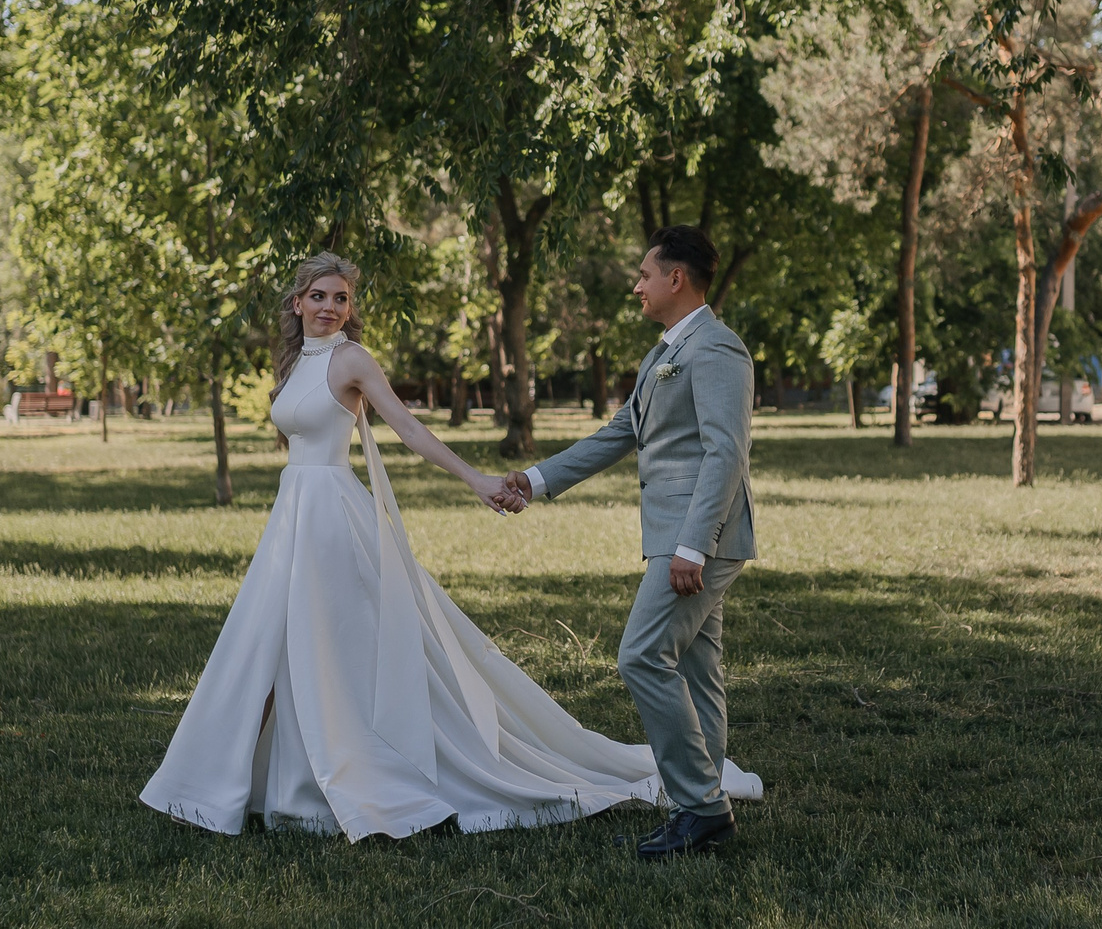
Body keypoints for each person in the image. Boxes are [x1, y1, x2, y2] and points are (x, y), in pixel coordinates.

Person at [140, 250, 763, 841]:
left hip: (332, 515)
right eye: (320, 296)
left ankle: (356, 769)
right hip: (292, 516)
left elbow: (408, 428)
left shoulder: (352, 360)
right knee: (266, 641)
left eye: (342, 298)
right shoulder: (293, 362)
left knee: (331, 642)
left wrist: (477, 479)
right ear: (297, 302)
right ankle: (232, 779)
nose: (331, 307)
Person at [501, 226, 757, 861]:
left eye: (645, 274)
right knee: (696, 668)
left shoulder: (716, 349)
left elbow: (725, 454)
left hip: (699, 537)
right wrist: (534, 480)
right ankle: (698, 804)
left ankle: (703, 810)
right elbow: (617, 434)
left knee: (641, 656)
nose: (637, 286)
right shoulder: (663, 353)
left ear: (676, 278)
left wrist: (694, 546)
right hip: (679, 536)